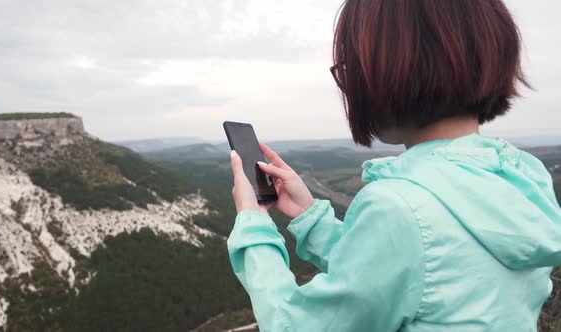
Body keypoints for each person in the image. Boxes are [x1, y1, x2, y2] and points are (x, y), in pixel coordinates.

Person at [227, 0, 561, 331]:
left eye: (348, 68)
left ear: (391, 69)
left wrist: (253, 224)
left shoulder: (398, 208)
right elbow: (414, 266)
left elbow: (293, 326)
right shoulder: (524, 176)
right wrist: (309, 216)